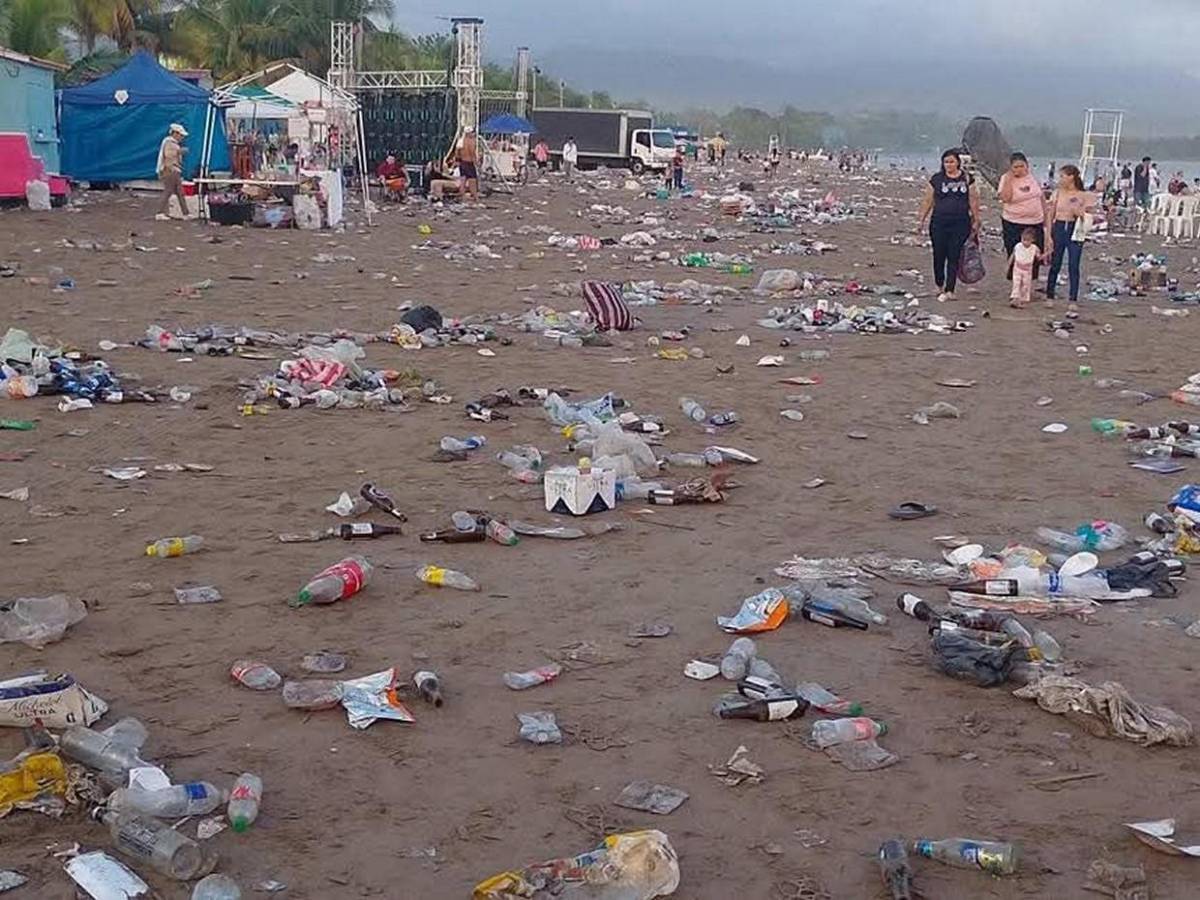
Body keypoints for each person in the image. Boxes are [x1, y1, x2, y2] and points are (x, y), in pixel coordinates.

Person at [917, 149, 980, 302]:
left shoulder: (967, 178)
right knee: (939, 254)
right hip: (939, 222)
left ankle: (950, 289)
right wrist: (921, 220)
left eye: (951, 161)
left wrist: (977, 219)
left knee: (954, 255)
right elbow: (928, 200)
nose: (949, 165)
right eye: (946, 162)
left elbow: (973, 199)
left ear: (958, 162)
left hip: (960, 222)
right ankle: (939, 285)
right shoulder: (937, 179)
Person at [1044, 164, 1094, 307]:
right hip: (1059, 227)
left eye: (1062, 176)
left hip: (1075, 228)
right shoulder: (1058, 193)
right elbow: (1050, 214)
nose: (1060, 179)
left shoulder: (1083, 195)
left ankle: (1073, 298)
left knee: (1073, 264)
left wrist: (1080, 213)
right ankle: (1050, 295)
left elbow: (1090, 216)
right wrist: (1048, 235)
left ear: (1071, 177)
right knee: (1055, 263)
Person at [997, 152, 1048, 284]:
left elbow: (1041, 198)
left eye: (1022, 166)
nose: (1019, 169)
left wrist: (1046, 221)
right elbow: (1005, 198)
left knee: (1034, 253)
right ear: (1010, 167)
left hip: (1035, 221)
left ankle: (1029, 284)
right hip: (1013, 222)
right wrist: (1009, 179)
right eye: (1015, 167)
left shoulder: (1033, 178)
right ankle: (1016, 284)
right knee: (1016, 253)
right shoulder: (1006, 178)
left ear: (1027, 165)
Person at [155, 123, 189, 221]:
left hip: (172, 170)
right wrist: (173, 167)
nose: (182, 137)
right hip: (170, 171)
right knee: (169, 191)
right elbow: (169, 157)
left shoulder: (170, 143)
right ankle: (160, 212)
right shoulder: (170, 143)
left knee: (179, 192)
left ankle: (185, 213)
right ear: (175, 133)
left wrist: (179, 152)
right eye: (181, 135)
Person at [1008, 227, 1041, 309]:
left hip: (1028, 269)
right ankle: (1015, 297)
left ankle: (1024, 299)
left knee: (1026, 284)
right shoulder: (1018, 246)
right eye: (1024, 239)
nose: (1025, 242)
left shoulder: (1034, 248)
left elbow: (1039, 257)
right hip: (1017, 268)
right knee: (1016, 283)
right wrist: (1008, 265)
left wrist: (1046, 255)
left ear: (1033, 240)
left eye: (1028, 240)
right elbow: (1013, 255)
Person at [457, 127, 479, 201]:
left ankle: (462, 197)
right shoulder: (471, 141)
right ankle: (475, 197)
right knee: (472, 180)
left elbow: (457, 153)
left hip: (462, 162)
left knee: (463, 180)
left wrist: (458, 160)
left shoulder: (461, 141)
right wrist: (475, 162)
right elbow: (472, 152)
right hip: (469, 163)